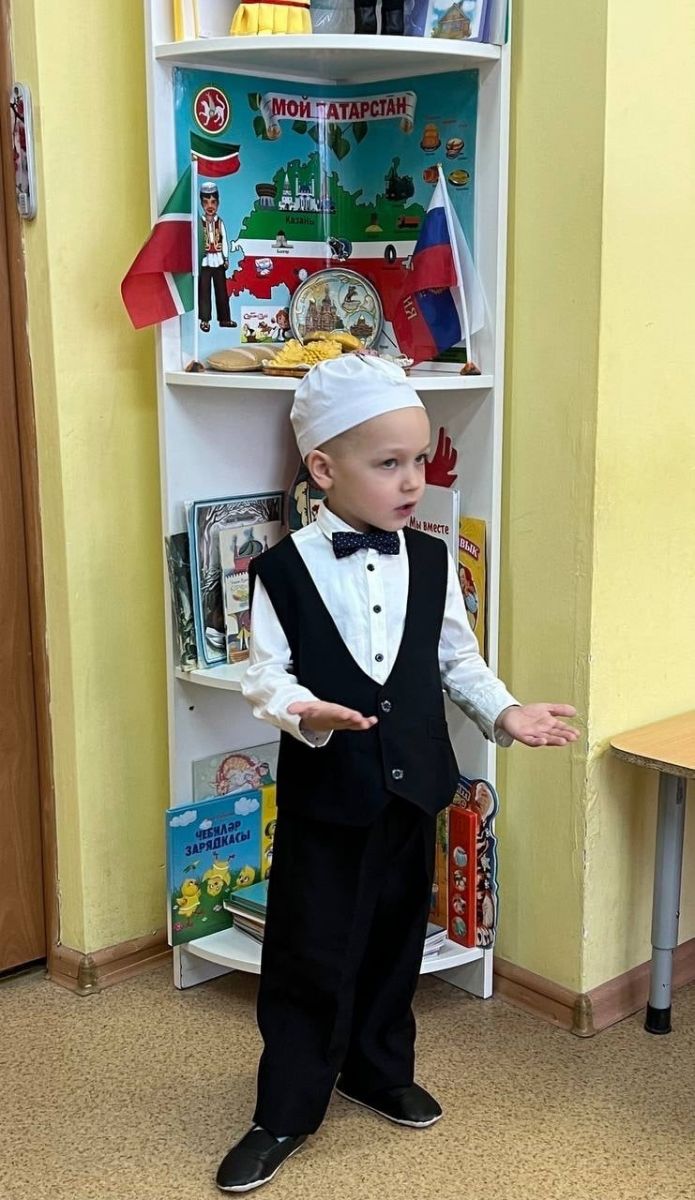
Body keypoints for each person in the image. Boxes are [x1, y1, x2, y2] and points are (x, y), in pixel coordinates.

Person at [216, 355, 578, 1193]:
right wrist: (305, 710)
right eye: (389, 463)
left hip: (413, 790)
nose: (413, 480)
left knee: (394, 938)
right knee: (309, 951)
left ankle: (376, 1070)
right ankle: (284, 1110)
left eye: (418, 460)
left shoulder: (432, 559)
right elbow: (263, 675)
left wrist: (505, 713)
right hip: (328, 796)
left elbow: (456, 659)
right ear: (323, 469)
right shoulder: (280, 570)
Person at [198, 181, 236, 333]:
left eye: (213, 202)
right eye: (206, 202)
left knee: (221, 291)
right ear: (201, 203)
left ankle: (225, 318)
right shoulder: (199, 223)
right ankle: (205, 320)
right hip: (204, 261)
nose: (210, 206)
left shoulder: (220, 223)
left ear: (218, 203)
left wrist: (226, 258)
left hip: (218, 260)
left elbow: (224, 240)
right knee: (204, 292)